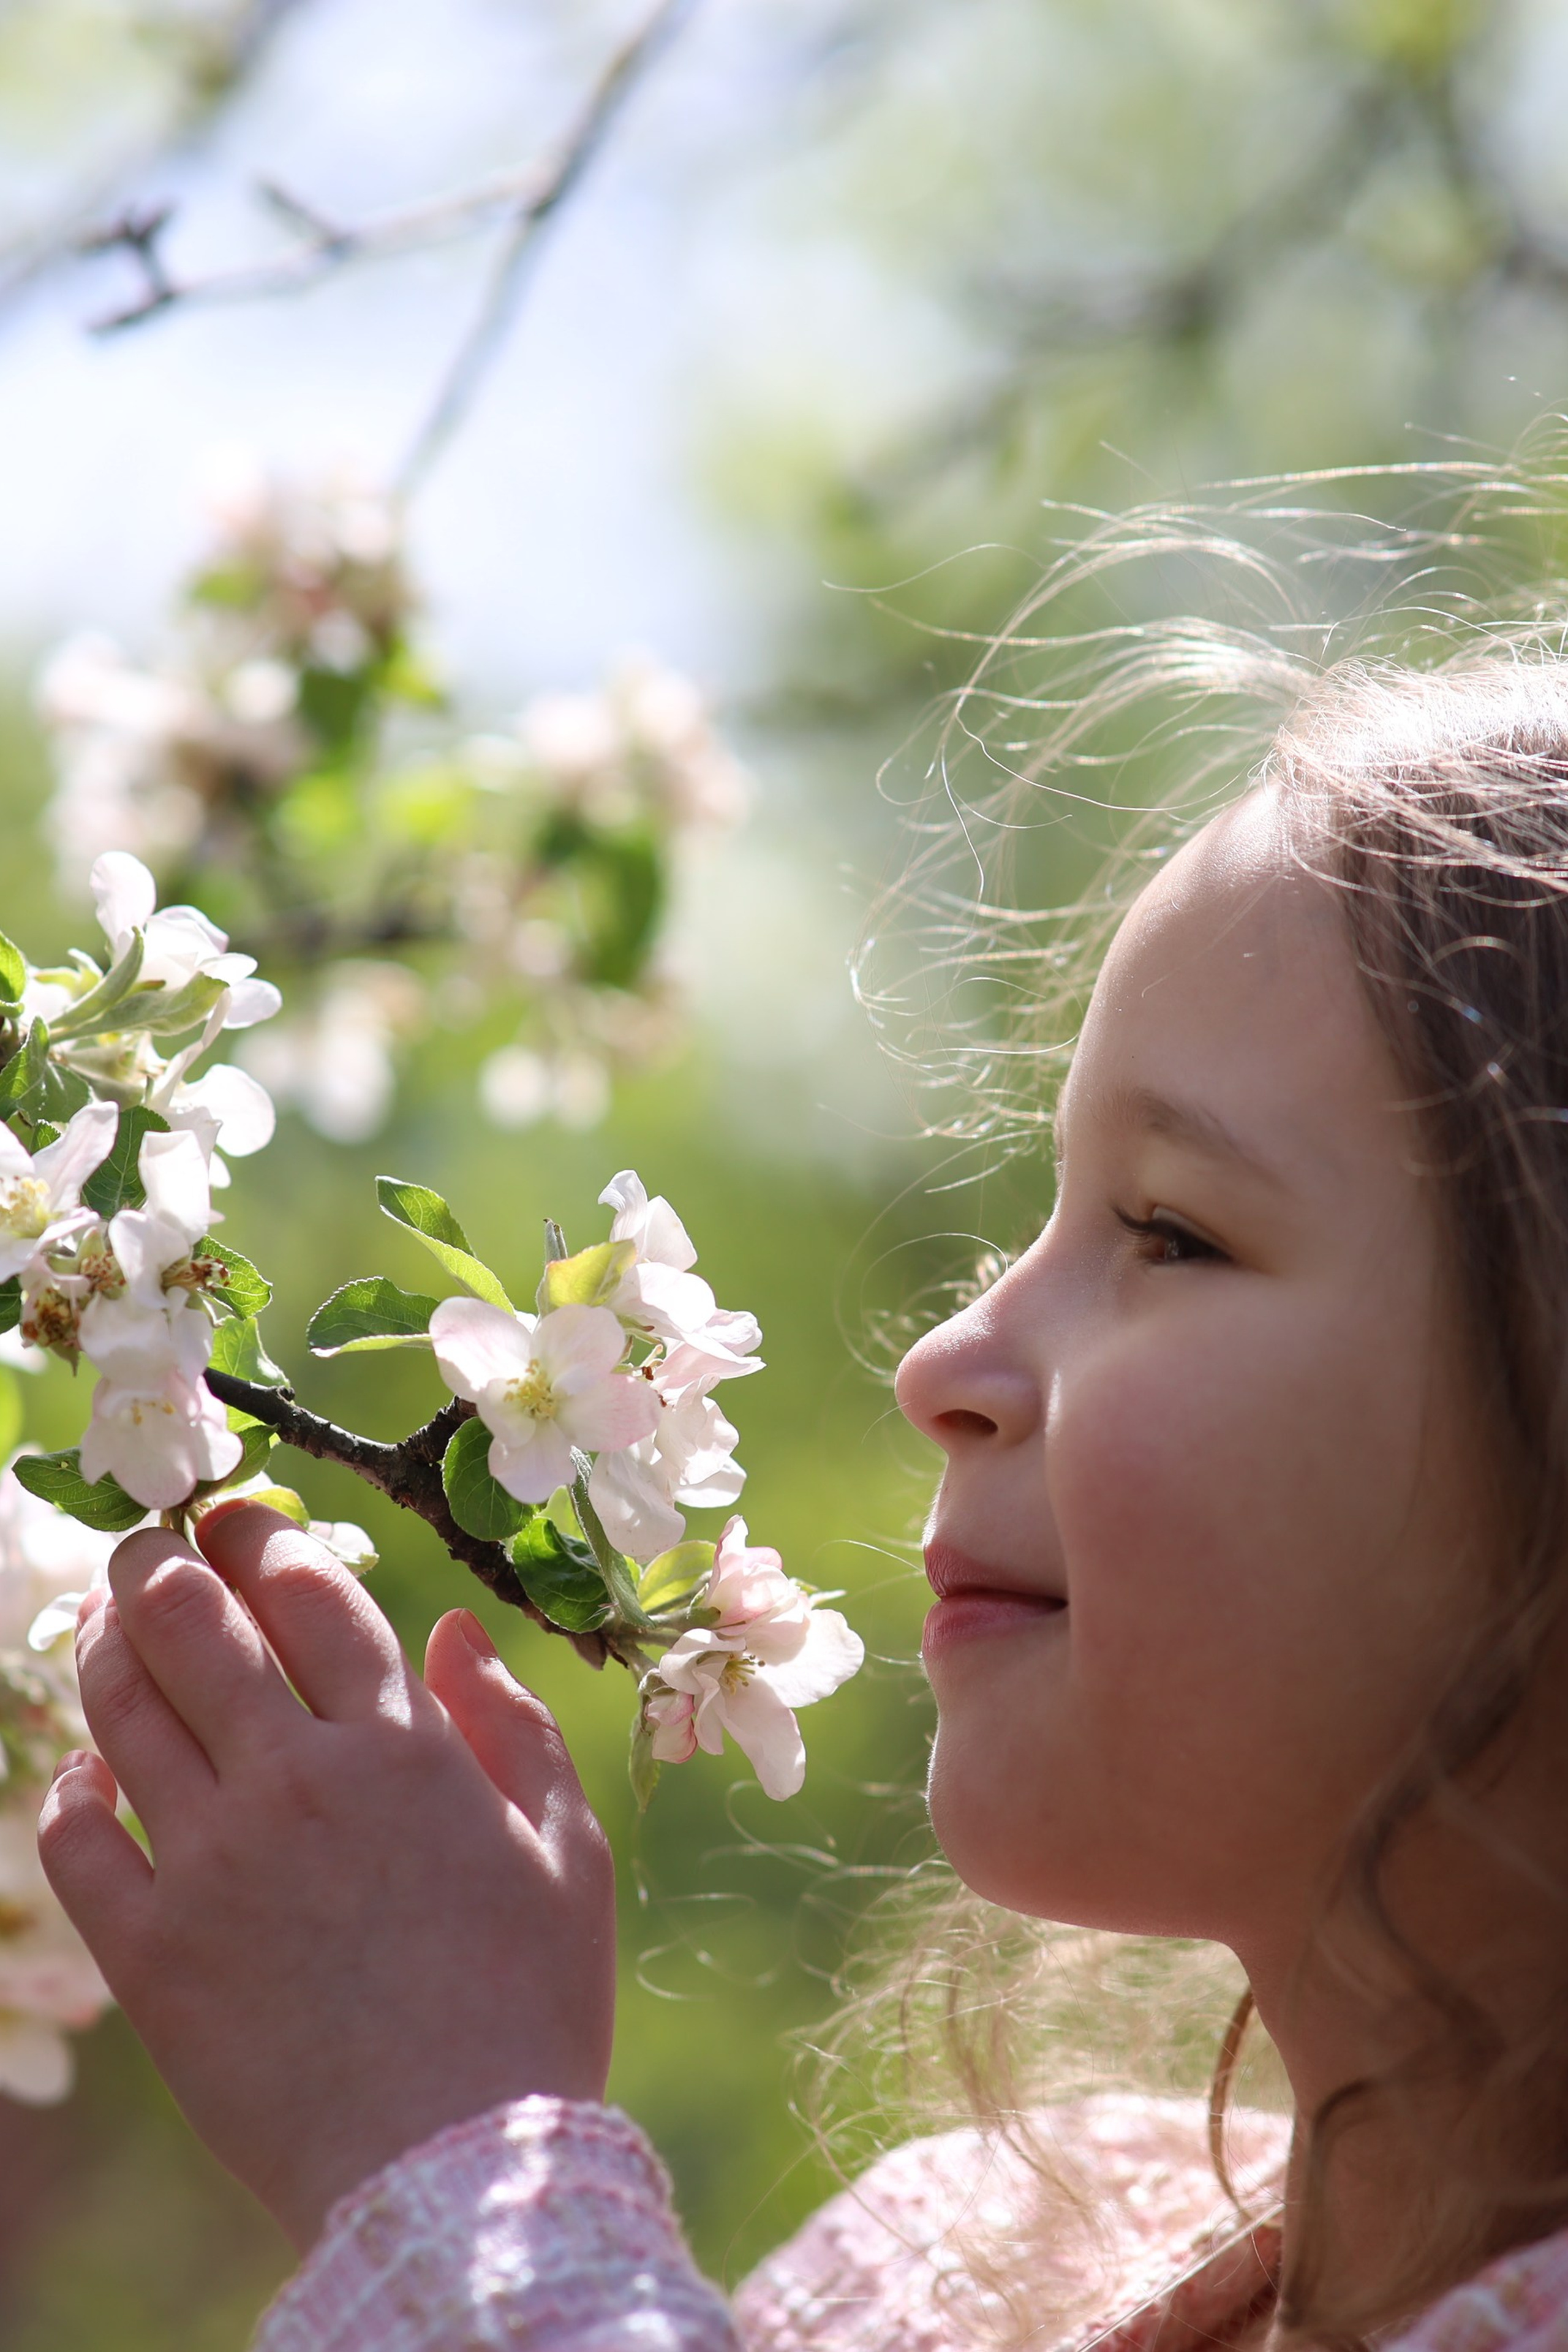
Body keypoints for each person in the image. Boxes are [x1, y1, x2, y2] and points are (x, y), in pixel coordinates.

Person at [34, 481, 1568, 2352]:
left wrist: (450, 2160)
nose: (946, 1365)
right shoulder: (967, 2260)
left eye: (1170, 1232)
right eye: (1049, 1213)